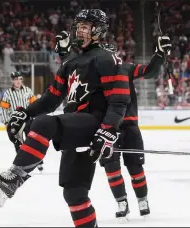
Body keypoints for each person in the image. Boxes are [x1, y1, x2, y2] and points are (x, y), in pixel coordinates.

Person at [0, 9, 131, 227]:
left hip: (94, 123)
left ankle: (14, 178)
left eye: (85, 26)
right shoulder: (71, 63)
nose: (79, 30)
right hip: (76, 127)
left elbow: (119, 101)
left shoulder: (107, 59)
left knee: (44, 123)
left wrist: (108, 130)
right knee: (74, 194)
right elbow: (52, 97)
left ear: (98, 30)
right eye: (78, 26)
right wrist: (26, 112)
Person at [55, 32, 171, 222]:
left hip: (129, 126)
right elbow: (71, 73)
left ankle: (142, 199)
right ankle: (121, 202)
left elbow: (149, 71)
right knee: (112, 168)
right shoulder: (90, 72)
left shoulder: (125, 68)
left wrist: (159, 55)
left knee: (135, 168)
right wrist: (64, 54)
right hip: (106, 129)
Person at [0, 71, 43, 172]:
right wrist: (6, 122)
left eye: (19, 79)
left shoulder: (27, 90)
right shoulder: (8, 93)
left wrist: (36, 117)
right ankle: (21, 164)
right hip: (15, 122)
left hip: (28, 119)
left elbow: (35, 104)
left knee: (32, 141)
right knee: (17, 143)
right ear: (12, 81)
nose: (18, 81)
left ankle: (38, 162)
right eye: (15, 79)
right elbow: (3, 108)